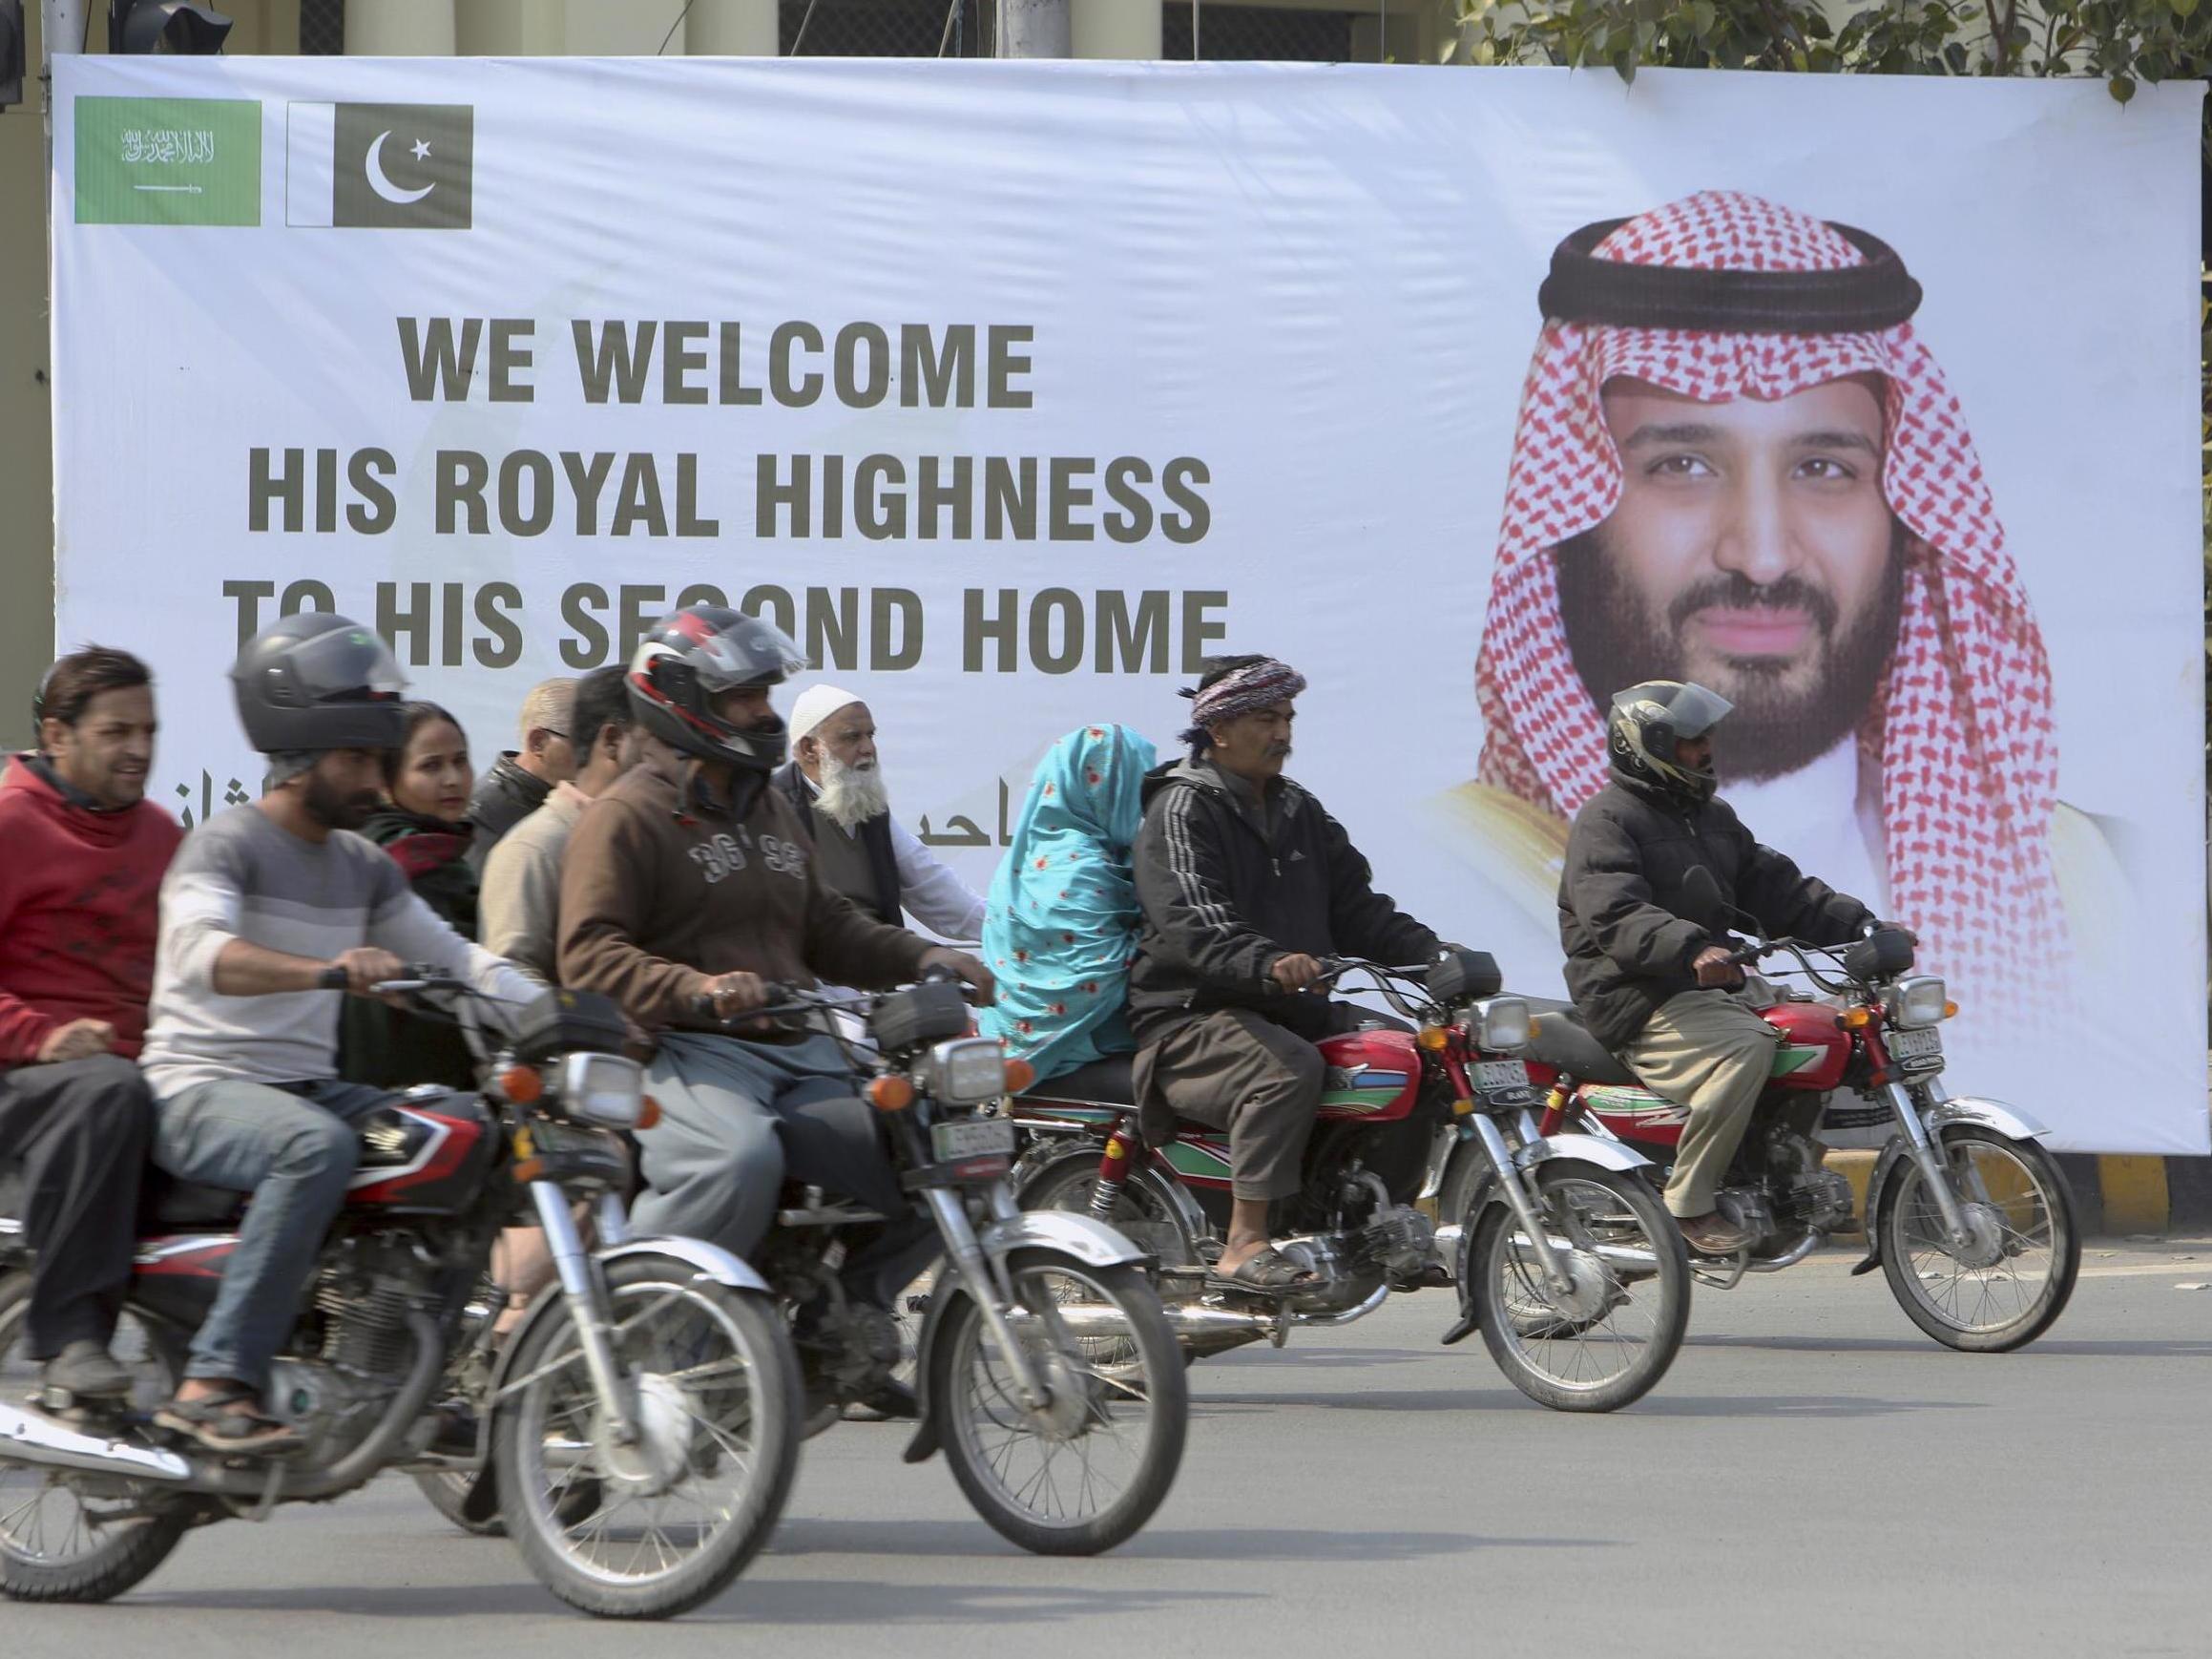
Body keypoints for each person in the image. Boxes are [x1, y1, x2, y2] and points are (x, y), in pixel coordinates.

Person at [1439, 189, 2121, 1032]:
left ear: (1906, 514)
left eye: (1825, 468)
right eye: (1682, 464)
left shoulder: (2082, 880)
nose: (1760, 555)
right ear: (1570, 514)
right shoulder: (1453, 863)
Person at [140, 614, 536, 1453]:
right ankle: (213, 1383)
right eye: (354, 759)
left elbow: (458, 958)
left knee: (471, 1136)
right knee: (311, 1148)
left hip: (305, 1088)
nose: (371, 775)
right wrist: (321, 971)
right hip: (198, 1087)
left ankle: (407, 1377)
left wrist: (556, 1011)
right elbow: (198, 952)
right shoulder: (226, 844)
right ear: (299, 756)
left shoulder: (360, 865)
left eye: (373, 757)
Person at [557, 606, 992, 1333]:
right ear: (681, 699)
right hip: (688, 1050)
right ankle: (641, 1336)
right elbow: (589, 951)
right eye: (744, 698)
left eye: (764, 695)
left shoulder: (769, 811)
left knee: (940, 1143)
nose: (762, 713)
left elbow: (825, 925)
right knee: (737, 1160)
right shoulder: (627, 815)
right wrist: (694, 987)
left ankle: (838, 1318)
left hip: (800, 1043)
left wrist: (924, 954)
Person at [1128, 655, 1441, 1291]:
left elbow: (1359, 909)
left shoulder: (1299, 809)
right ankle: (1244, 1243)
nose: (1283, 734)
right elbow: (1195, 921)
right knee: (1284, 1068)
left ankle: (1378, 1225)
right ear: (1218, 730)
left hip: (1288, 1008)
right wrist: (1267, 963)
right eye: (1267, 719)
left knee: (1414, 1058)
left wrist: (1439, 957)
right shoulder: (1181, 810)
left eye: (1288, 717)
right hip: (1191, 1017)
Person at [1558, 681, 1883, 1255]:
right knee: (1748, 1048)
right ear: (1647, 746)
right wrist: (1689, 949)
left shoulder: (1709, 816)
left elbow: (1779, 889)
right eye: (1689, 740)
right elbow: (1616, 913)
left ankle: (1777, 1172)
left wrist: (1862, 927)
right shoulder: (1606, 822)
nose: (1706, 748)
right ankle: (1689, 1203)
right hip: (1639, 995)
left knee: (1824, 1031)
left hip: (1712, 983)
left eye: (1706, 736)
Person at [0, 647, 180, 1403]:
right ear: (57, 735)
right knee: (109, 1091)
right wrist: (38, 1036)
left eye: (148, 730)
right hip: (29, 1080)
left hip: (135, 1074)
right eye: (116, 732)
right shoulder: (12, 825)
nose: (138, 749)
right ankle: (72, 1336)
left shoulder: (161, 836)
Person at [981, 724, 1158, 1084]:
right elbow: (1096, 973)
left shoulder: (1042, 847)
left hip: (1013, 1023)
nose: (1145, 802)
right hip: (1077, 1032)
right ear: (1107, 787)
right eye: (1137, 784)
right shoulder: (1078, 865)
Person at [773, 683, 987, 942]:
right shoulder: (773, 807)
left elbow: (932, 887)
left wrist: (1017, 932)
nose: (868, 749)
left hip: (878, 964)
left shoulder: (869, 809)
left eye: (870, 736)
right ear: (809, 749)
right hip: (809, 973)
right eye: (852, 737)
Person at [340, 701, 480, 1090]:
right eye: (431, 766)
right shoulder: (396, 857)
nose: (452, 779)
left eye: (460, 761)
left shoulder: (443, 850)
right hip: (397, 1075)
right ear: (387, 783)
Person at [466, 676, 577, 871]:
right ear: (538, 742)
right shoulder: (479, 819)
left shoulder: (576, 804)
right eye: (584, 742)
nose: (597, 755)